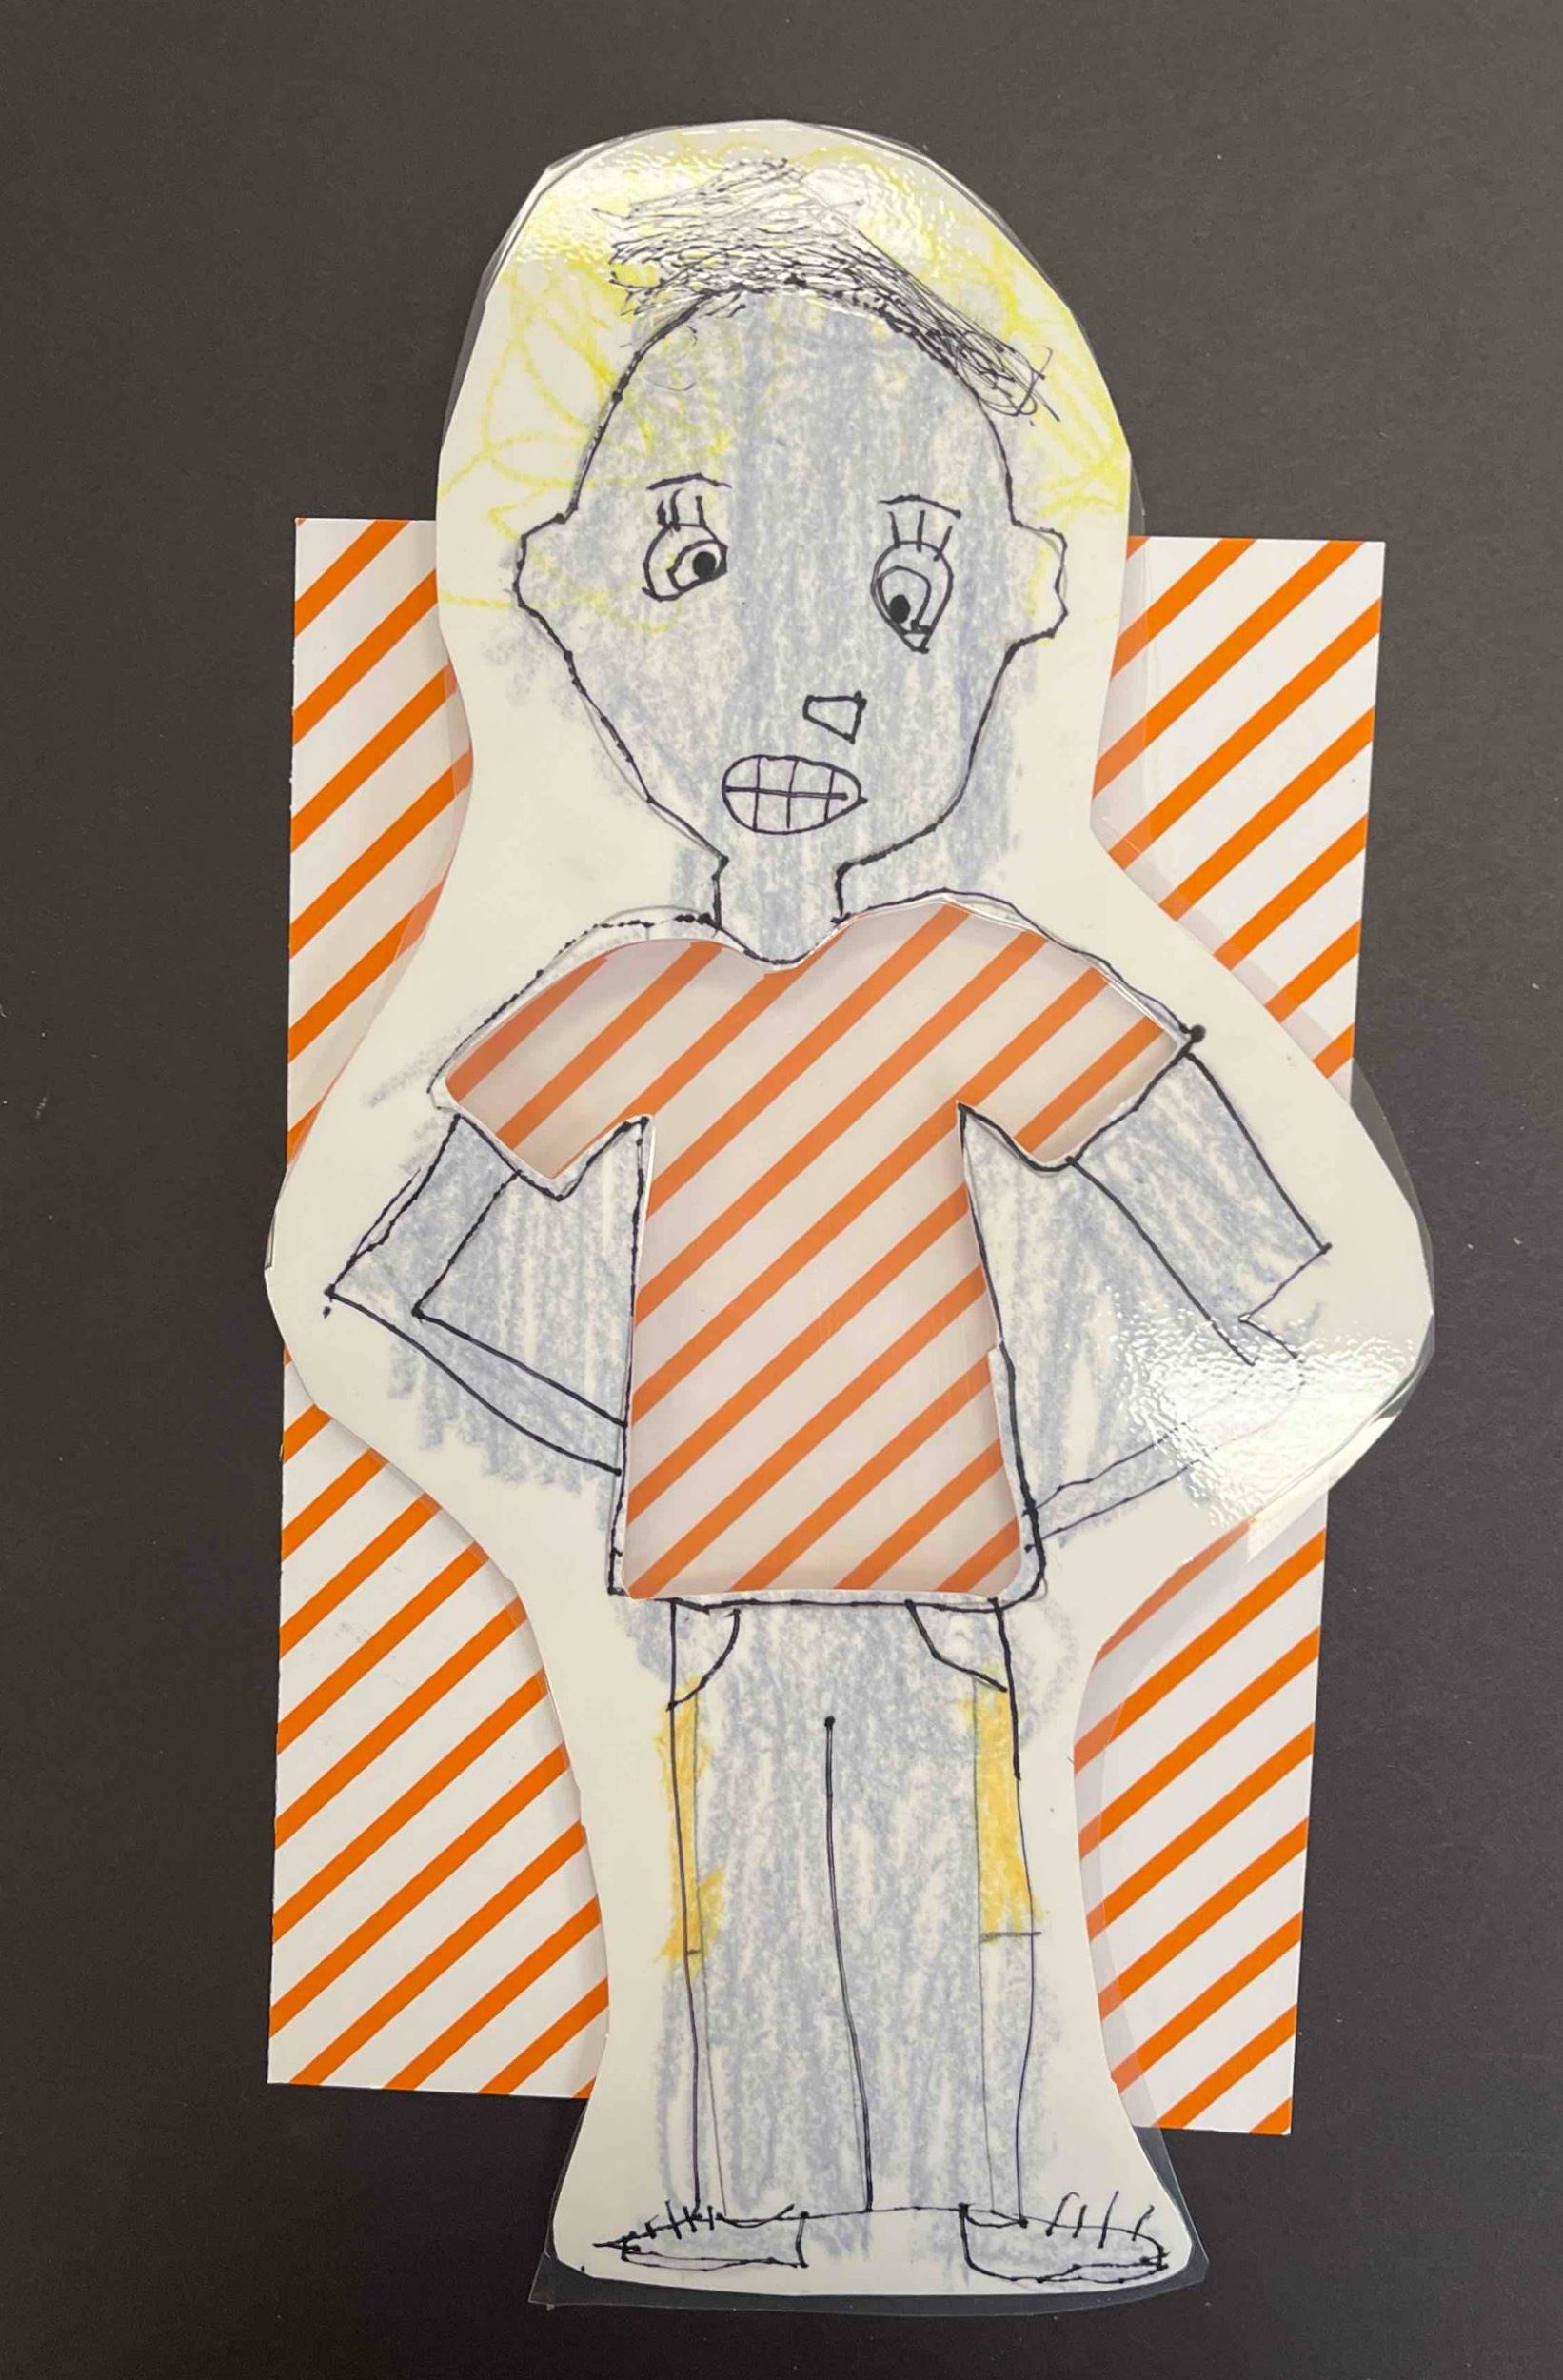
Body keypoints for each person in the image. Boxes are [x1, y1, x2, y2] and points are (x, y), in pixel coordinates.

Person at [276, 140, 1430, 2301]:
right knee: (736, 1887)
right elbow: (385, 1265)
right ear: (562, 594)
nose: (807, 679)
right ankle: (749, 2196)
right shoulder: (609, 991)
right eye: (700, 563)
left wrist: (1196, 1414)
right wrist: (580, 1428)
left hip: (936, 1564)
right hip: (714, 1560)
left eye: (900, 599)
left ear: (1013, 614)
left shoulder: (983, 972)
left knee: (948, 1881)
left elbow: (1255, 1236)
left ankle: (988, 2188)